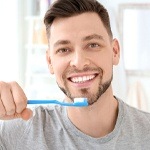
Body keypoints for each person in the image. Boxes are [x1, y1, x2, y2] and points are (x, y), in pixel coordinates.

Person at [0, 0, 150, 149]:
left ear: (115, 52)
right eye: (64, 49)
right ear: (50, 61)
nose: (79, 62)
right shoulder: (17, 133)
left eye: (93, 45)